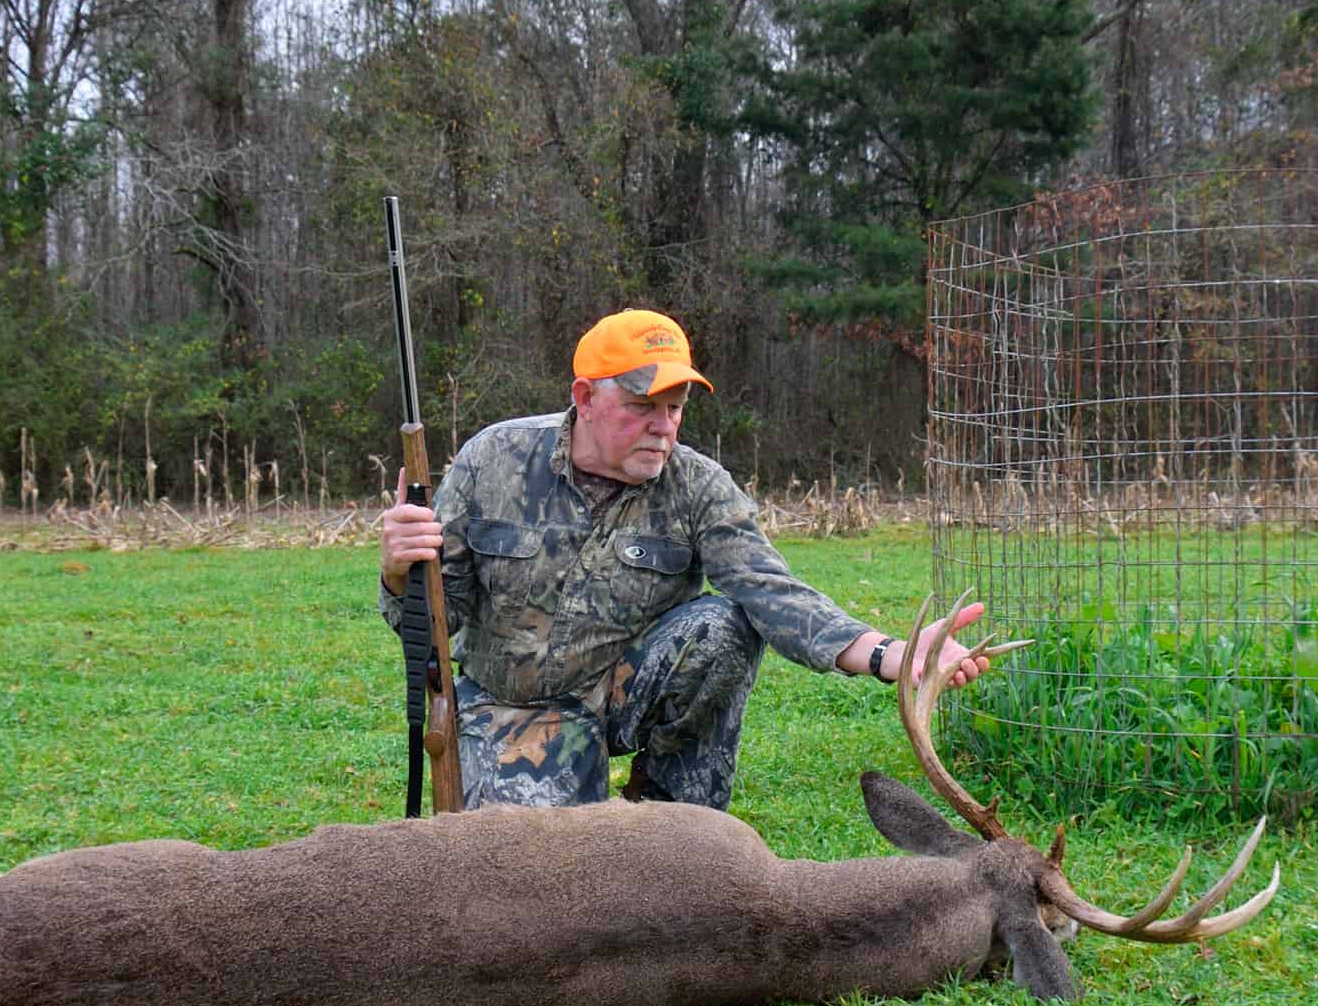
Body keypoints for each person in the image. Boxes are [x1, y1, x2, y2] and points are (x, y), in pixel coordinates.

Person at [379, 307, 996, 811]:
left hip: (617, 689)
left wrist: (891, 653)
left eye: (675, 409)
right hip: (511, 703)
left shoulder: (698, 485)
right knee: (535, 879)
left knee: (723, 627)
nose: (664, 428)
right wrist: (398, 569)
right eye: (644, 407)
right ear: (585, 397)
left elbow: (770, 591)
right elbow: (437, 615)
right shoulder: (494, 460)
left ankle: (677, 823)